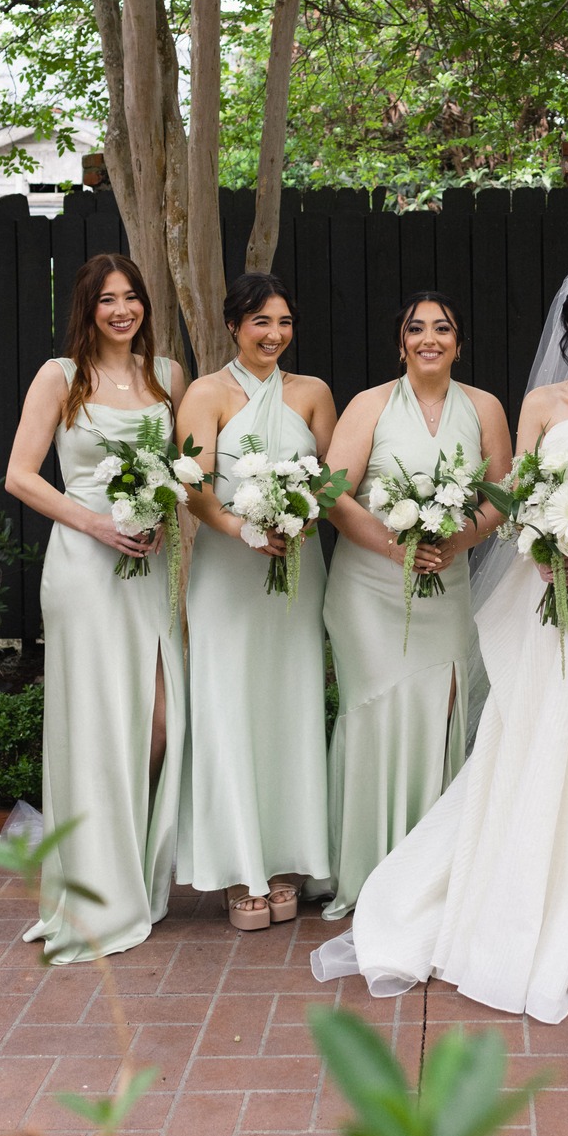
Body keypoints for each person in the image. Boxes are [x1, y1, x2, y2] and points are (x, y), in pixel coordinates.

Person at [311, 259, 568, 1024]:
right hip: (551, 587)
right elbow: (518, 492)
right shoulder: (537, 402)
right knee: (538, 735)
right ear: (567, 321)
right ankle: (522, 898)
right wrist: (546, 549)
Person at [6, 254, 187, 964]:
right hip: (84, 564)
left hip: (149, 565)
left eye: (132, 297)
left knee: (160, 723)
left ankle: (126, 871)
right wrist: (96, 524)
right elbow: (21, 475)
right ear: (88, 308)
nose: (122, 310)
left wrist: (160, 519)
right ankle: (93, 891)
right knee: (94, 722)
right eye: (108, 299)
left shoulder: (167, 376)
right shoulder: (61, 377)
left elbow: (182, 473)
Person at [320, 293, 511, 919]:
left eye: (443, 328)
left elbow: (501, 496)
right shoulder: (368, 405)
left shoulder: (484, 407)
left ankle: (430, 870)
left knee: (442, 706)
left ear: (459, 342)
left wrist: (455, 540)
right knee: (378, 713)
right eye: (417, 329)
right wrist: (393, 549)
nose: (430, 338)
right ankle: (369, 870)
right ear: (401, 343)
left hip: (445, 581)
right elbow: (332, 493)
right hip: (369, 589)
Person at [175, 272, 336, 931]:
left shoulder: (314, 394)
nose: (274, 335)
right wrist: (246, 527)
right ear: (234, 326)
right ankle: (239, 866)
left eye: (284, 322)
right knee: (230, 705)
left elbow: (334, 477)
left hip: (297, 570)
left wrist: (301, 516)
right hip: (227, 571)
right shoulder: (205, 393)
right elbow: (193, 485)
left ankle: (288, 860)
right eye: (261, 322)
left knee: (289, 705)